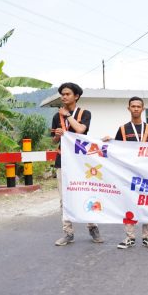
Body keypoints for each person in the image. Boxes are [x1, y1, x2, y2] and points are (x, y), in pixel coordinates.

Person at [102, 96, 148, 250]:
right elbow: (116, 149)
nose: (136, 109)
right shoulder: (123, 129)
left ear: (143, 109)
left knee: (146, 203)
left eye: (138, 106)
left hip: (145, 173)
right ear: (128, 108)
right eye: (133, 106)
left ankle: (147, 237)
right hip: (128, 174)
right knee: (128, 202)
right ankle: (129, 237)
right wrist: (109, 142)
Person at [51, 82, 103, 246]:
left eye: (67, 94)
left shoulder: (84, 113)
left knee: (86, 193)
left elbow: (81, 130)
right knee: (64, 199)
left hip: (81, 162)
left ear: (76, 96)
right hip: (63, 160)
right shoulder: (55, 116)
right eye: (62, 94)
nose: (64, 97)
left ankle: (92, 227)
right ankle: (68, 232)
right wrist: (58, 136)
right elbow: (54, 141)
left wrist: (67, 116)